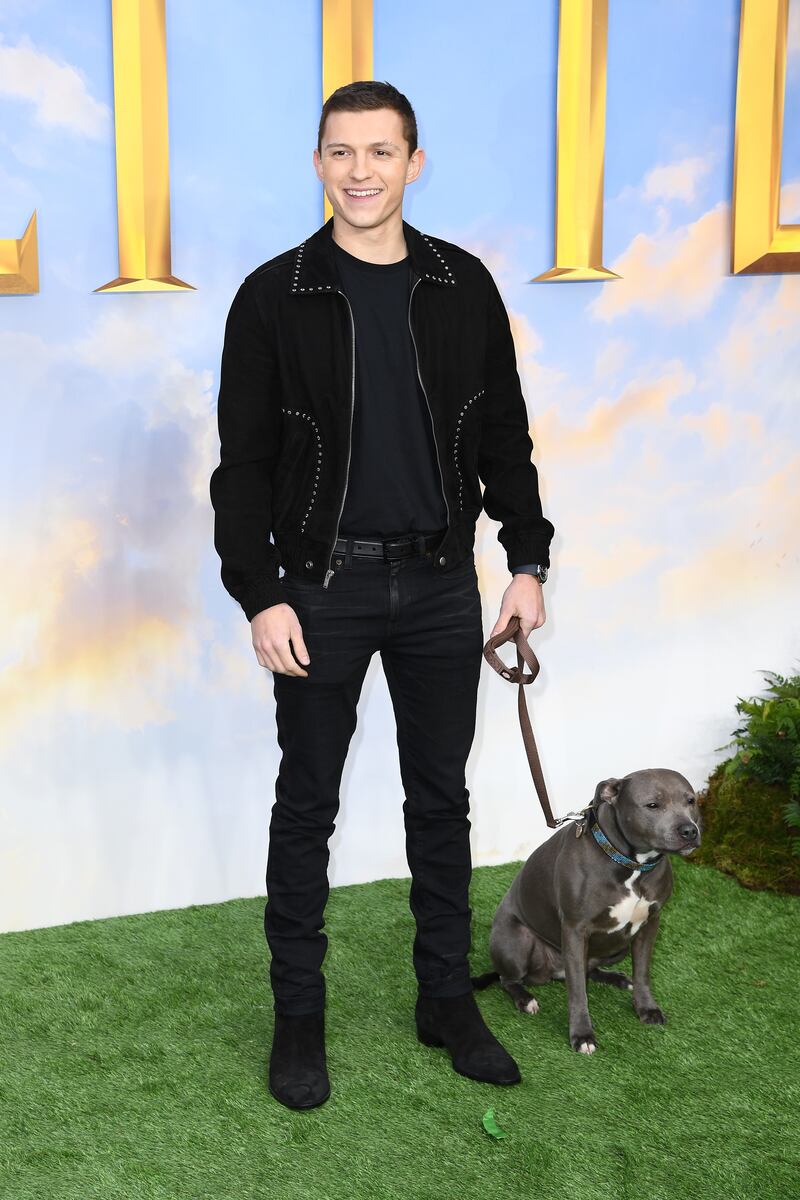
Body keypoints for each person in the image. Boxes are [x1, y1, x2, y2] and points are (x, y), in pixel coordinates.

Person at [209, 80, 555, 1110]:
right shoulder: (274, 295)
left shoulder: (462, 285)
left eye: (379, 151)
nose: (359, 170)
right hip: (320, 589)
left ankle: (446, 1001)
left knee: (438, 800)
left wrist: (525, 562)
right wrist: (259, 592)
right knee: (305, 805)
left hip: (445, 584)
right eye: (339, 152)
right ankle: (298, 1020)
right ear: (316, 164)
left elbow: (504, 441)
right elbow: (243, 470)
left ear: (413, 161)